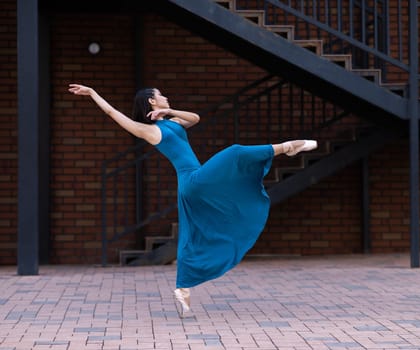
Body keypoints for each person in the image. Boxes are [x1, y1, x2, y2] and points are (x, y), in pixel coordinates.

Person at [68, 84, 317, 317]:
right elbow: (113, 113)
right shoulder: (150, 131)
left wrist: (169, 110)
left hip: (195, 181)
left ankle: (183, 287)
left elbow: (195, 118)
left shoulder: (171, 122)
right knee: (234, 152)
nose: (165, 96)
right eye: (161, 95)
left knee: (191, 233)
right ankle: (287, 147)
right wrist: (92, 93)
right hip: (193, 180)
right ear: (152, 100)